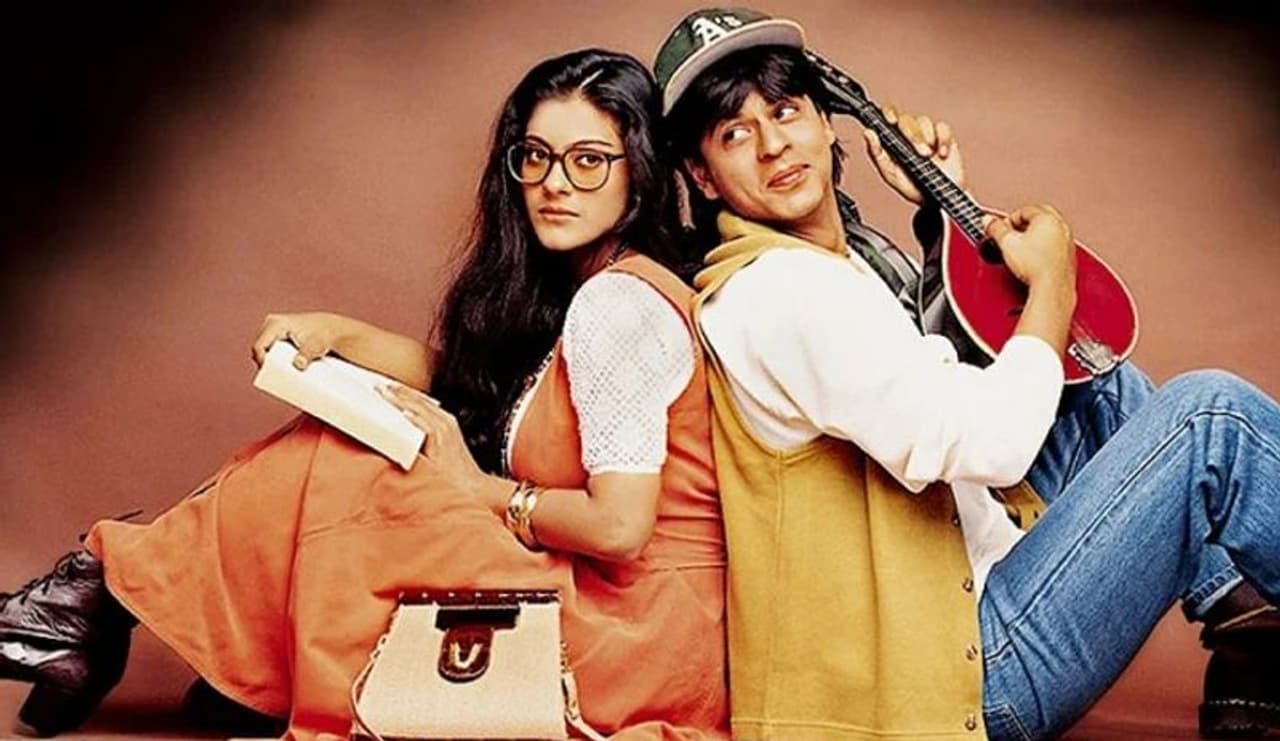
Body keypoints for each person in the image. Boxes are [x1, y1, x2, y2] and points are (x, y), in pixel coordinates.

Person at [0, 48, 730, 740]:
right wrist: (339, 333)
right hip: (626, 609)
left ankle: (91, 605)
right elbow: (487, 382)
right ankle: (104, 606)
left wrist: (477, 489)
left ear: (639, 172)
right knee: (345, 444)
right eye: (536, 156)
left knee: (343, 465)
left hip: (629, 628)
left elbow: (620, 527)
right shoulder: (595, 286)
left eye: (589, 160)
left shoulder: (617, 307)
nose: (555, 183)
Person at [653, 8, 1280, 741]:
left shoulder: (834, 264)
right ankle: (1256, 634)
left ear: (826, 122)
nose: (772, 146)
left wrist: (940, 215)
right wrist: (1053, 282)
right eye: (733, 134)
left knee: (1100, 390)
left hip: (968, 579)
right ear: (702, 176)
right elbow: (990, 443)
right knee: (1211, 418)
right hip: (967, 672)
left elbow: (934, 368)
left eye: (785, 111)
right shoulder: (777, 293)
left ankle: (1251, 634)